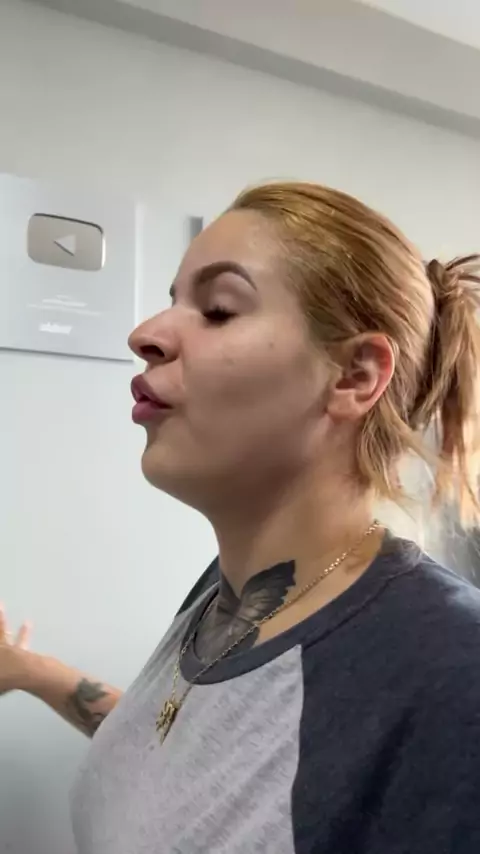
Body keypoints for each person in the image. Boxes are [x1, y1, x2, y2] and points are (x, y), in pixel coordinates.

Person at [1, 181, 480, 854]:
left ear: (354, 376)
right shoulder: (227, 593)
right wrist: (32, 671)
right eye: (173, 300)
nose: (145, 334)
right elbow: (196, 768)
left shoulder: (451, 672)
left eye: (219, 309)